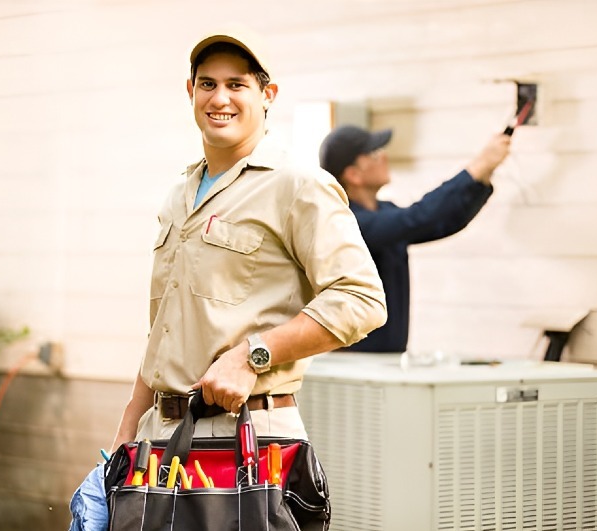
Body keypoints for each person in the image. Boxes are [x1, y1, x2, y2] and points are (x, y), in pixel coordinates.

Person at [69, 31, 387, 530]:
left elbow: (362, 299)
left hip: (246, 442)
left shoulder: (299, 185)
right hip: (158, 443)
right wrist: (120, 447)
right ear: (191, 91)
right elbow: (164, 334)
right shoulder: (180, 194)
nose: (220, 99)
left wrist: (250, 354)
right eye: (208, 84)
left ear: (268, 95)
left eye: (237, 84)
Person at [319, 124, 510, 353]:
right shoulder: (346, 222)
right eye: (374, 154)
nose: (384, 158)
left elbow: (439, 222)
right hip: (354, 360)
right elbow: (418, 218)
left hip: (387, 356)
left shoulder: (382, 211)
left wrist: (483, 176)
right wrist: (477, 166)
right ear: (353, 175)